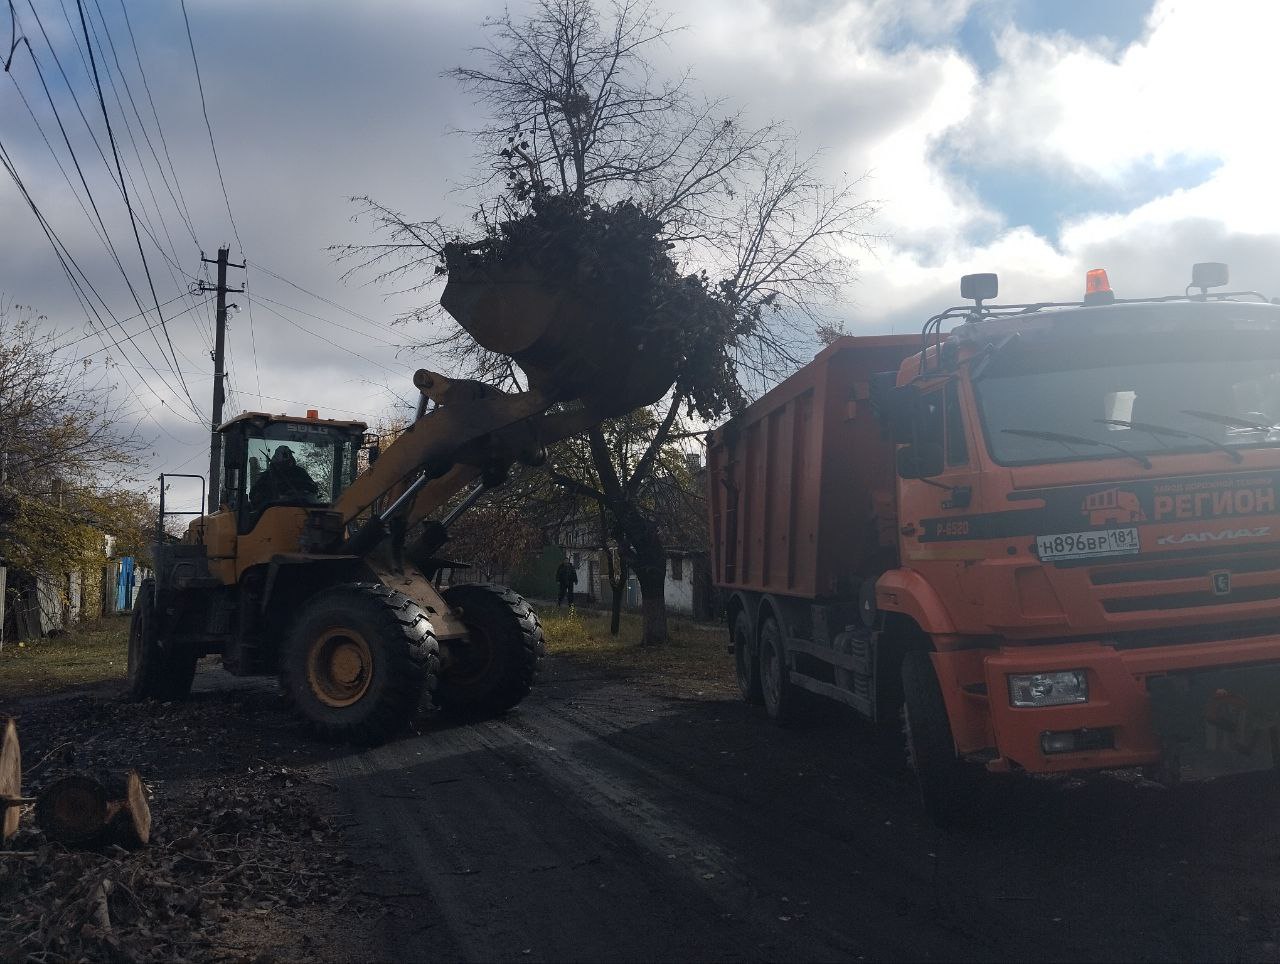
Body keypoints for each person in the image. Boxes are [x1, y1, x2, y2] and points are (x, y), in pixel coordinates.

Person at [252, 446, 320, 511]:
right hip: (272, 515)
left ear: (291, 460)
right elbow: (254, 496)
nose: (284, 467)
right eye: (281, 464)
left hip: (303, 513)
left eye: (287, 463)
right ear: (275, 462)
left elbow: (312, 488)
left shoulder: (300, 473)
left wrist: (303, 490)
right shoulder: (266, 477)